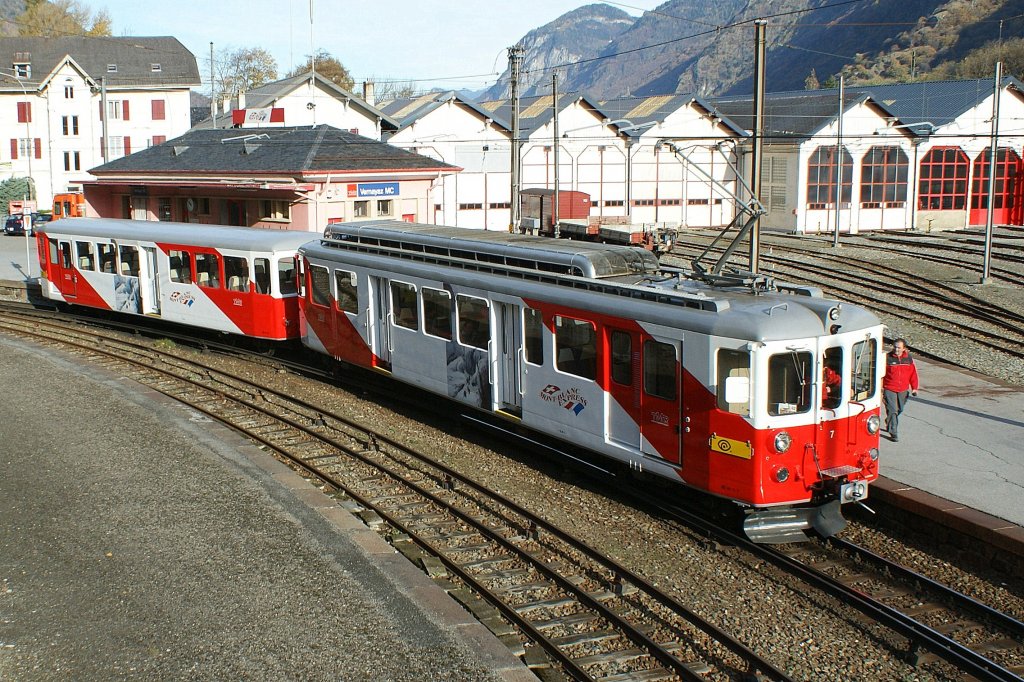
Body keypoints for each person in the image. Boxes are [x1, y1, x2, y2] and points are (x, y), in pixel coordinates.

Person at [882, 338, 919, 442]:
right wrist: (881, 389)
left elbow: (913, 374)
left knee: (899, 409)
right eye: (895, 347)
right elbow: (880, 374)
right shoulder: (887, 358)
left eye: (899, 347)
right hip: (889, 388)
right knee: (893, 410)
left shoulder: (908, 359)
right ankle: (894, 433)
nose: (896, 349)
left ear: (904, 349)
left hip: (903, 389)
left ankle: (889, 421)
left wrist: (915, 388)